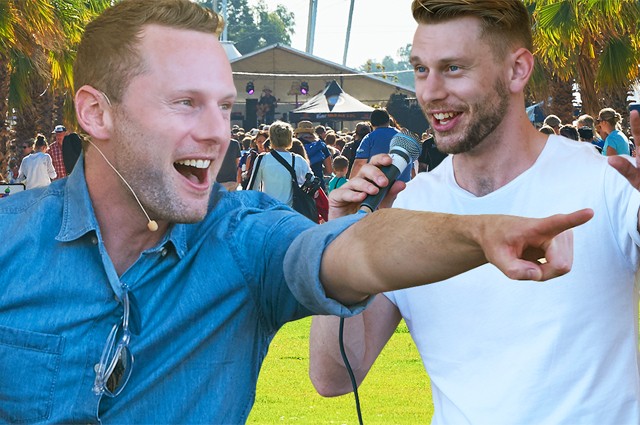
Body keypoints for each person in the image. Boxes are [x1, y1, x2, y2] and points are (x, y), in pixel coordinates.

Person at [0, 1, 592, 423]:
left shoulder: (242, 239)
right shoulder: (10, 243)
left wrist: (481, 232)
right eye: (185, 103)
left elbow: (352, 252)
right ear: (96, 113)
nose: (217, 132)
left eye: (224, 106)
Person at [309, 1, 639, 424]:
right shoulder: (408, 206)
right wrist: (339, 237)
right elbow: (334, 377)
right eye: (421, 69)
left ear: (517, 70)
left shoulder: (607, 182)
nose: (430, 92)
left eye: (453, 68)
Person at [247, 120, 312, 205]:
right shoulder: (298, 160)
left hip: (269, 208)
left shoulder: (262, 159)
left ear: (271, 138)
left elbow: (253, 187)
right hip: (291, 209)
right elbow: (312, 181)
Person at [350, 109, 406, 182]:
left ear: (371, 124)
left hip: (379, 184)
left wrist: (350, 183)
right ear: (388, 121)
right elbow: (411, 166)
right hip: (404, 184)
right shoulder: (403, 137)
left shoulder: (369, 138)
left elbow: (359, 164)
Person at [295, 120, 333, 190]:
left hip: (298, 185)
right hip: (317, 184)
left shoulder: (293, 145)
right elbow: (329, 170)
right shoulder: (321, 145)